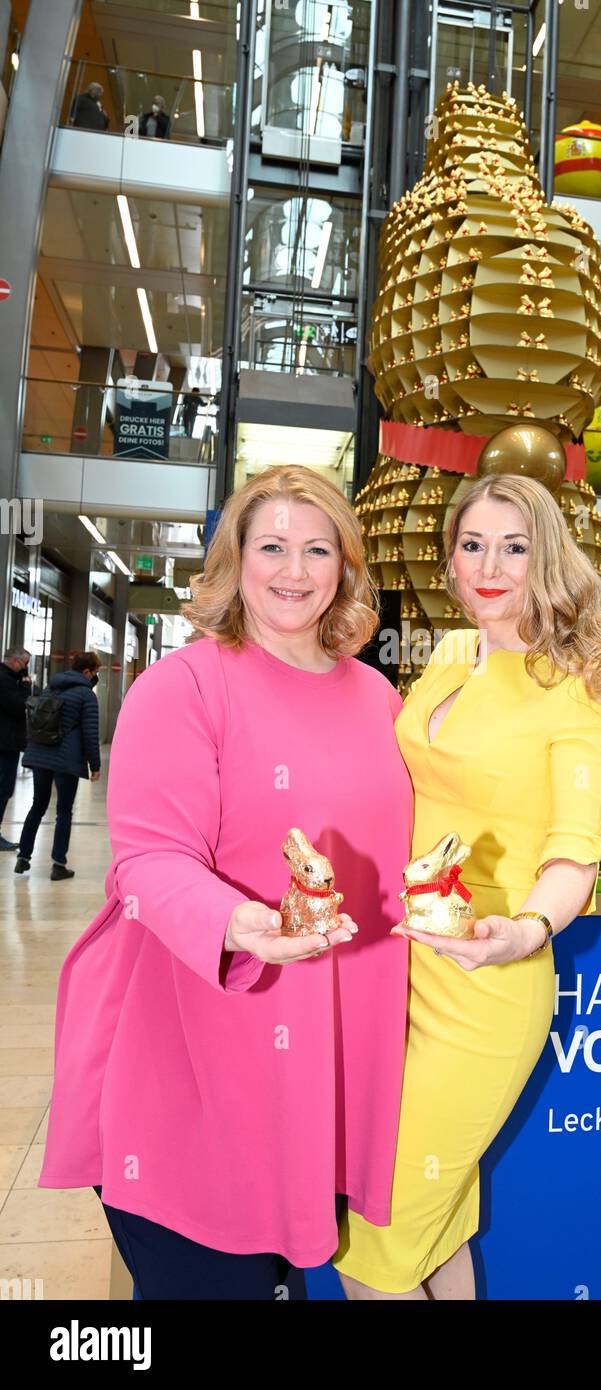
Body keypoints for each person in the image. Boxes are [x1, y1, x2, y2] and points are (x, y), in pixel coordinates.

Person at [38, 464, 413, 1300]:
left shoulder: (379, 698)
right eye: (271, 545)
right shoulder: (184, 686)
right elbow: (147, 859)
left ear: (346, 568)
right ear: (235, 560)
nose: (295, 570)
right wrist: (239, 923)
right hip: (193, 1050)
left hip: (322, 1056)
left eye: (318, 549)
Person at [333, 472, 601, 1299]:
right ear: (450, 560)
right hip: (400, 965)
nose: (490, 565)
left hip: (488, 985)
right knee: (436, 1221)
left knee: (376, 1241)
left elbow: (572, 852)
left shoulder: (579, 688)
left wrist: (525, 930)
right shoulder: (450, 654)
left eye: (513, 547)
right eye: (472, 545)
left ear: (546, 557)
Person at [14, 651, 101, 879]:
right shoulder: (86, 695)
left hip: (40, 754)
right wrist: (96, 764)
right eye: (95, 672)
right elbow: (90, 733)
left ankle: (23, 857)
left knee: (38, 805)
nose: (95, 677)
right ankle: (58, 864)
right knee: (63, 811)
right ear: (86, 671)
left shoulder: (49, 687)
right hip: (66, 759)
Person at [0, 645, 32, 851]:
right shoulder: (5, 681)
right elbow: (20, 706)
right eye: (24, 664)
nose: (25, 669)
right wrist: (26, 686)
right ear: (14, 661)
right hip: (5, 744)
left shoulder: (9, 679)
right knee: (3, 788)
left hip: (7, 742)